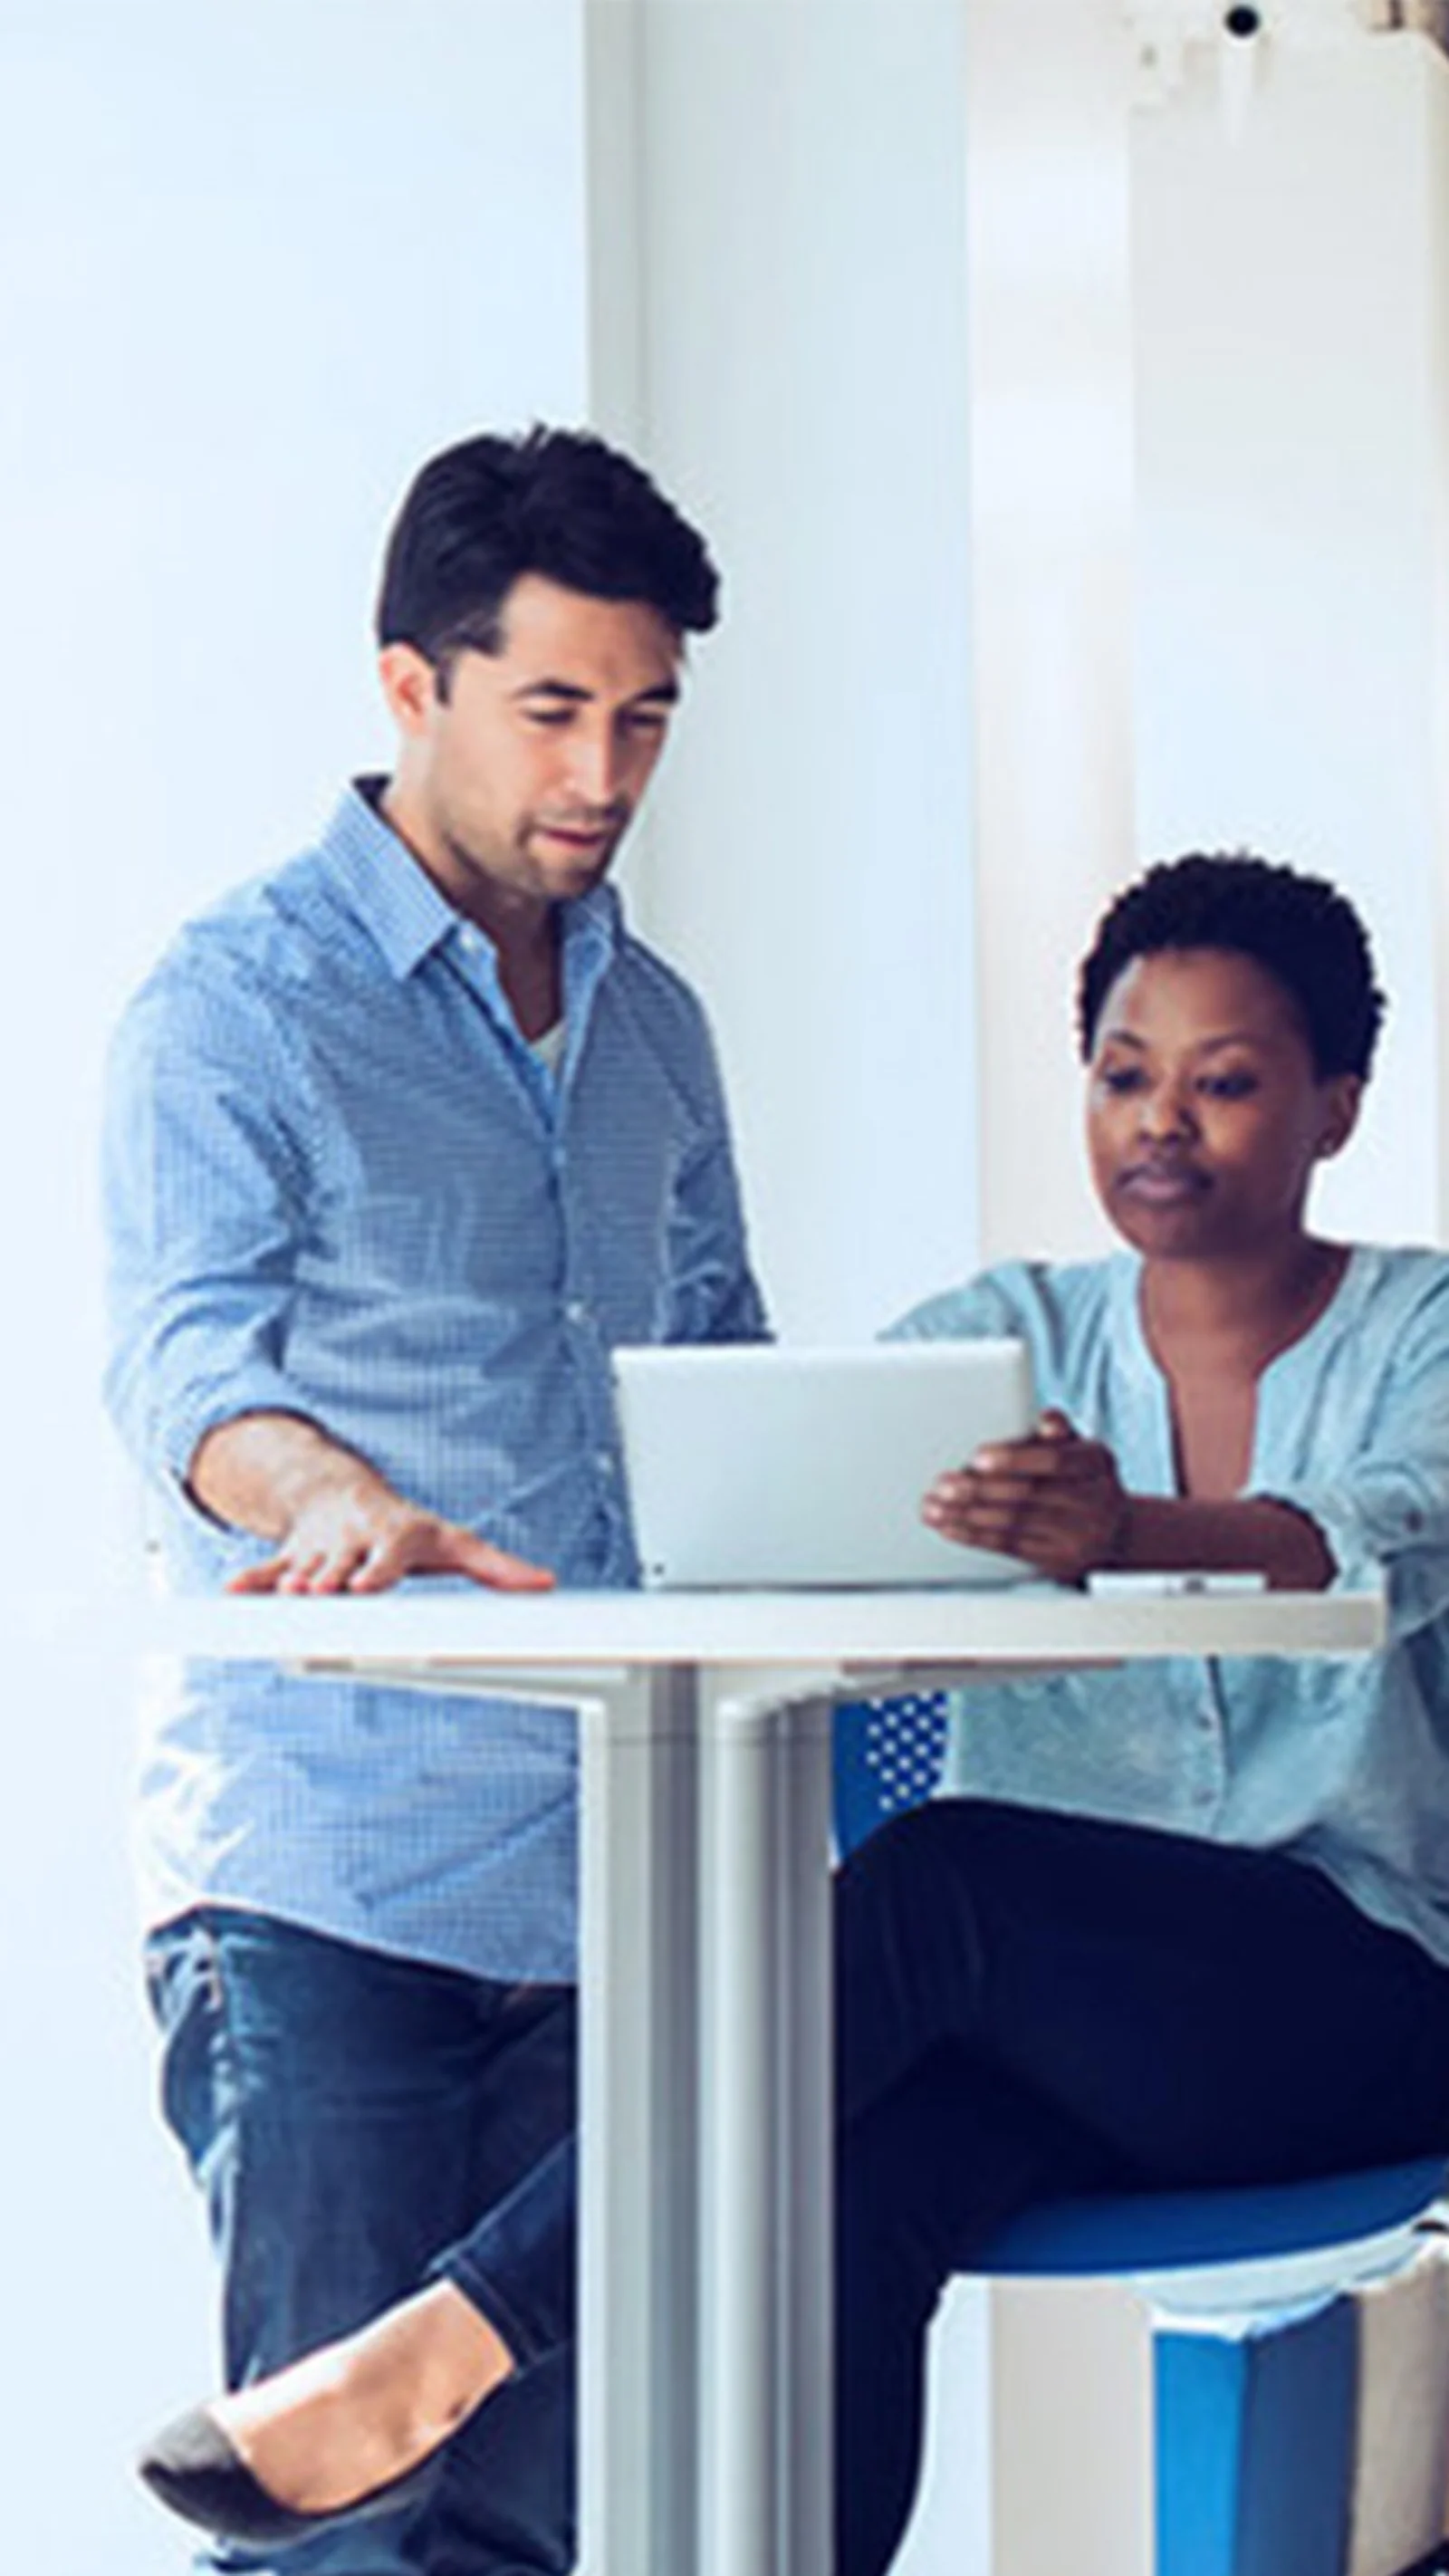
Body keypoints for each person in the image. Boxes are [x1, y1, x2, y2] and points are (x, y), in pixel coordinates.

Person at [139, 851, 1449, 2574]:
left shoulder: (1423, 1326)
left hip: (1346, 2006)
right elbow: (777, 1506)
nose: (1161, 1122)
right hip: (1061, 2055)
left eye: (1226, 1082)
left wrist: (1125, 1534)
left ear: (1334, 1105)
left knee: (944, 1880)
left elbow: (1392, 1528)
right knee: (837, 2194)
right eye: (1125, 1074)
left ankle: (444, 2346)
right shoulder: (1003, 1339)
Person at [104, 424, 767, 2576]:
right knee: (337, 2537)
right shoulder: (240, 1006)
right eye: (553, 710)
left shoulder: (656, 1031)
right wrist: (331, 1491)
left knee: (556, 2532)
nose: (604, 771)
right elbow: (188, 1366)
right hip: (335, 1888)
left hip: (618, 1895)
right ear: (412, 686)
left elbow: (718, 1375)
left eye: (643, 716)